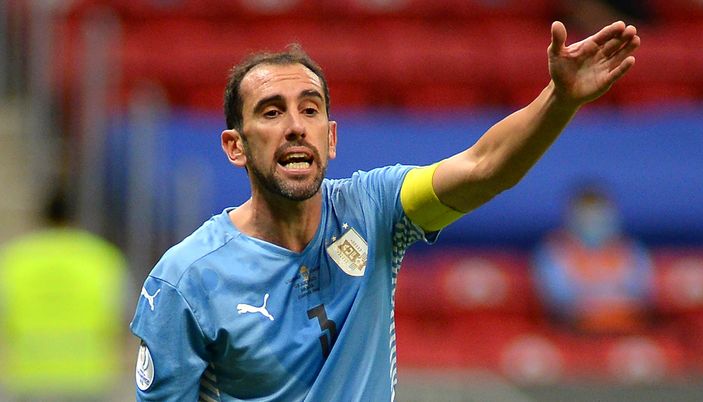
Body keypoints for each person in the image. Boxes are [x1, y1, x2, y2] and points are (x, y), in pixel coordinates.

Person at [130, 21, 640, 401]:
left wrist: (560, 99)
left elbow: (486, 167)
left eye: (310, 109)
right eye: (271, 112)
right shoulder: (186, 279)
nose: (295, 126)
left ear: (330, 139)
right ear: (235, 146)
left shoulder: (374, 208)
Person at [0, 190, 128, 402]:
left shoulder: (14, 260)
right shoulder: (103, 258)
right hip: (89, 377)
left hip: (29, 378)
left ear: (41, 218)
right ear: (75, 219)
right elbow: (123, 317)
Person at [532, 183, 654, 334]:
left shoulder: (631, 250)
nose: (593, 222)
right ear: (571, 217)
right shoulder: (553, 251)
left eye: (599, 215)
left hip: (627, 329)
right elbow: (559, 300)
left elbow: (640, 295)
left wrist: (604, 304)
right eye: (586, 217)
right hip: (574, 333)